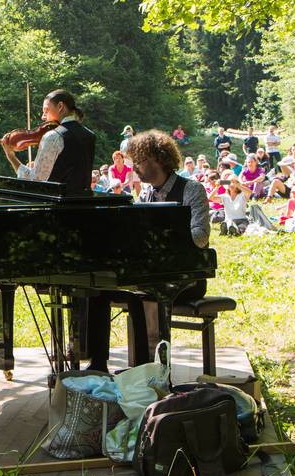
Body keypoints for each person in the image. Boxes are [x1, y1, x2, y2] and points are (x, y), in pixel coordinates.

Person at [86, 130, 210, 372]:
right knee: (97, 291)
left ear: (159, 159)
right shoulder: (145, 193)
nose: (136, 170)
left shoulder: (191, 190)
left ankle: (154, 370)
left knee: (147, 295)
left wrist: (166, 238)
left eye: (140, 162)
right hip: (150, 274)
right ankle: (98, 364)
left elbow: (202, 237)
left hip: (186, 276)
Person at [1, 90, 96, 195]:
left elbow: (34, 181)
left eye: (46, 111)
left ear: (60, 106)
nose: (43, 117)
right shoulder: (90, 135)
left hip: (58, 206)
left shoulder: (53, 136)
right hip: (84, 204)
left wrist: (11, 156)